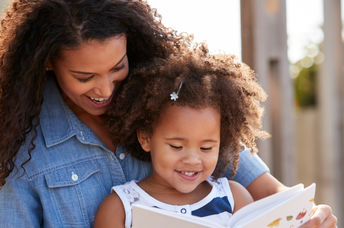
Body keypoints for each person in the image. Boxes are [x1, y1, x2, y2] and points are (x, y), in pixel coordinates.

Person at [0, 0, 336, 227]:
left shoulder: (173, 99)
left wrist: (309, 217)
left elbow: (270, 194)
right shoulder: (18, 146)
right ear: (46, 62)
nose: (105, 90)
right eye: (84, 77)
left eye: (118, 67)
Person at [94, 49, 268, 227]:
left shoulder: (234, 198)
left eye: (206, 148)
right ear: (145, 138)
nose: (192, 160)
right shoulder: (122, 208)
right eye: (176, 146)